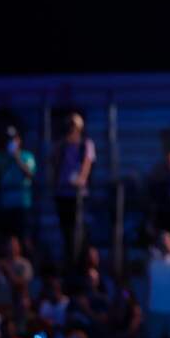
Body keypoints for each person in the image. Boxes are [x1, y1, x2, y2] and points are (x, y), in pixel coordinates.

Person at [51, 112, 96, 265]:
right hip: (62, 192)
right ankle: (68, 259)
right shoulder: (61, 145)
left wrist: (80, 180)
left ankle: (79, 259)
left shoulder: (86, 144)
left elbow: (86, 164)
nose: (71, 129)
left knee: (77, 228)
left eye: (74, 126)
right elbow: (55, 164)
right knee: (65, 229)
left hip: (78, 194)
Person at [0, 126, 37, 240]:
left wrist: (17, 157)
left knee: (24, 238)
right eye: (8, 140)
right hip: (4, 205)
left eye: (13, 139)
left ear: (19, 140)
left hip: (22, 204)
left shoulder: (27, 156)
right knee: (6, 239)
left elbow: (30, 175)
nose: (11, 142)